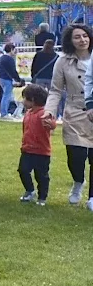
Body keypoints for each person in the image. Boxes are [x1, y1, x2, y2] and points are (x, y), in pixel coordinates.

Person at [42, 23, 93, 207]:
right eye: (77, 37)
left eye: (85, 36)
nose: (82, 40)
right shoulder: (63, 61)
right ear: (70, 41)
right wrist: (49, 111)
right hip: (75, 112)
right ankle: (78, 182)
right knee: (76, 156)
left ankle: (92, 198)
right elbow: (56, 90)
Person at [20, 83, 55, 206]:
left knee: (41, 176)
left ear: (33, 100)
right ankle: (30, 190)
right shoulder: (28, 113)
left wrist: (51, 124)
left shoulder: (43, 114)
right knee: (23, 170)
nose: (23, 101)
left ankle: (42, 197)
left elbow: (52, 123)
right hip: (27, 150)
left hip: (41, 151)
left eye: (25, 98)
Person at [0, 42, 23, 119]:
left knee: (5, 95)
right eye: (14, 49)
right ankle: (4, 113)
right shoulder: (10, 59)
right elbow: (13, 71)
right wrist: (18, 79)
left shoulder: (1, 58)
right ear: (11, 49)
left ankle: (4, 112)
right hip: (7, 79)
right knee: (7, 96)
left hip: (2, 78)